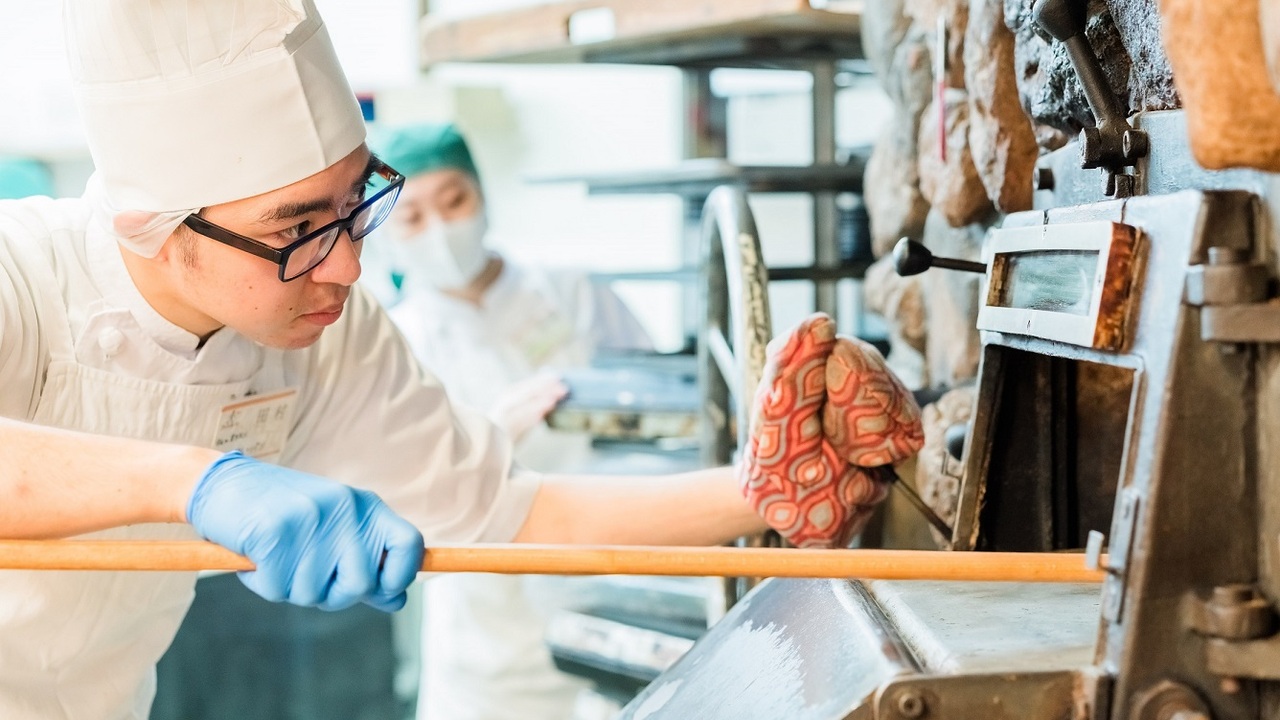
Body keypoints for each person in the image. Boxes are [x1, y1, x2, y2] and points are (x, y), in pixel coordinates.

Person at [0, 2, 766, 718]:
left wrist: (772, 487)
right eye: (298, 230)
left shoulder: (330, 331)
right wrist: (193, 481)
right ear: (154, 231)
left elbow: (511, 514)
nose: (347, 269)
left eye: (354, 204)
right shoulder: (20, 277)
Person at [371, 122, 652, 720]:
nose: (442, 229)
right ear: (387, 231)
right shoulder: (396, 341)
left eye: (454, 201)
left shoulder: (570, 291)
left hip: (610, 587)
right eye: (413, 216)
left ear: (483, 195)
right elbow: (402, 500)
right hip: (487, 641)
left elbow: (656, 409)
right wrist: (488, 435)